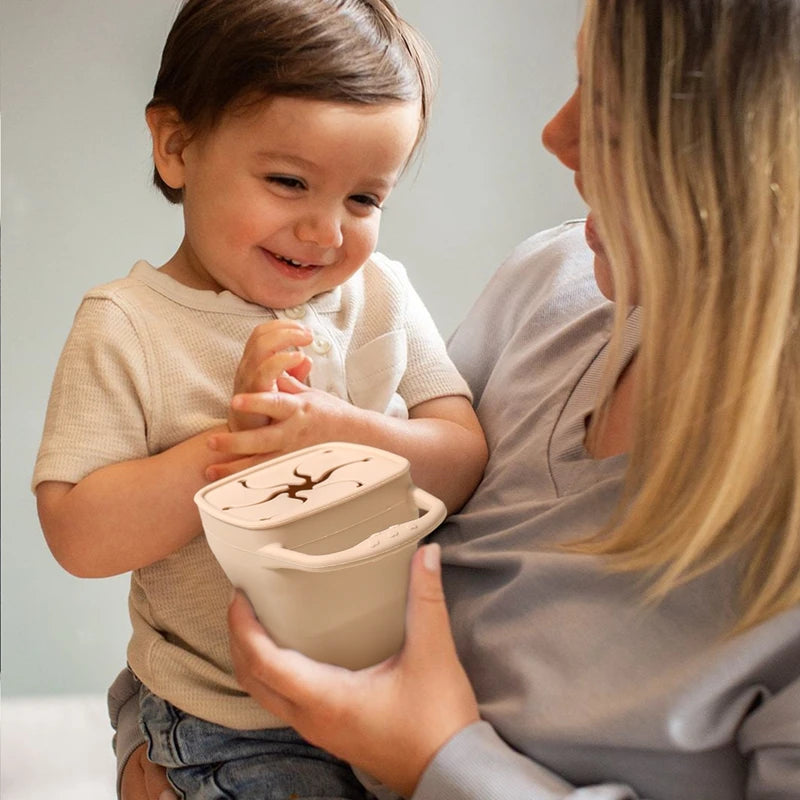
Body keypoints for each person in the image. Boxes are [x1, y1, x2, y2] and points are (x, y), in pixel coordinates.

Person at [115, 0, 800, 798]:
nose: (557, 135)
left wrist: (437, 757)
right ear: (175, 148)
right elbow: (187, 580)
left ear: (759, 157)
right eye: (579, 81)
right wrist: (156, 747)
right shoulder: (550, 285)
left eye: (615, 116)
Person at [32, 1, 487, 798]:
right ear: (177, 147)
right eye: (288, 182)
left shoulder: (380, 295)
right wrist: (231, 448)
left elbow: (462, 458)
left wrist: (334, 431)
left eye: (364, 200)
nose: (324, 231)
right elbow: (78, 535)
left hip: (388, 686)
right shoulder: (128, 326)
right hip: (229, 714)